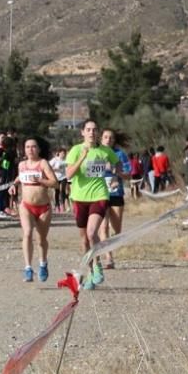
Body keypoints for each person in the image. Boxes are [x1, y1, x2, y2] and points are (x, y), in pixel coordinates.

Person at [66, 119, 121, 290]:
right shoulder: (75, 150)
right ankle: (90, 273)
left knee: (92, 233)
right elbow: (69, 175)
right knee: (84, 240)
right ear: (82, 132)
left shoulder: (105, 151)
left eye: (94, 129)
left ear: (97, 133)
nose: (92, 132)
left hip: (99, 195)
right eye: (88, 129)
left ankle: (98, 266)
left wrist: (114, 178)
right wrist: (82, 157)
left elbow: (117, 164)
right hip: (79, 197)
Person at [11, 137, 57, 282]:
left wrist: (42, 181)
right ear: (23, 150)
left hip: (43, 207)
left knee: (41, 239)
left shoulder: (43, 163)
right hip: (26, 206)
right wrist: (14, 184)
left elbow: (55, 183)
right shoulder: (22, 164)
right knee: (28, 233)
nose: (30, 149)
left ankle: (43, 264)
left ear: (39, 149)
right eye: (27, 147)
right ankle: (28, 268)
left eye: (33, 147)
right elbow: (20, 177)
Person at [98, 129, 131, 269]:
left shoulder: (120, 155)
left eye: (111, 138)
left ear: (114, 140)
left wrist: (117, 172)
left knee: (117, 229)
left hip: (116, 194)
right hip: (99, 193)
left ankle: (111, 242)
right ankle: (109, 258)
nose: (108, 140)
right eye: (105, 137)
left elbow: (128, 175)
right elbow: (87, 172)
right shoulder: (96, 153)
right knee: (103, 226)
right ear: (101, 139)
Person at [49, 147, 68, 213]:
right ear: (59, 153)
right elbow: (48, 167)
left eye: (64, 153)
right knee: (57, 192)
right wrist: (55, 169)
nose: (63, 155)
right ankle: (57, 206)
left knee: (62, 190)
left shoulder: (66, 160)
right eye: (62, 153)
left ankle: (63, 206)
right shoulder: (55, 160)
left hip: (64, 177)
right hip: (56, 178)